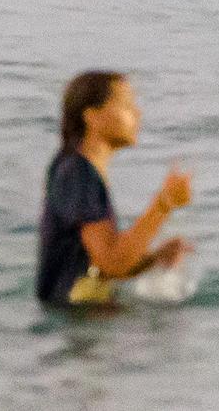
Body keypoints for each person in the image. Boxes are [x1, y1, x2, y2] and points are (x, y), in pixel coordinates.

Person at [37, 72, 193, 306]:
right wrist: (164, 204)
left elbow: (99, 267)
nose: (137, 113)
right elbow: (112, 263)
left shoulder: (77, 169)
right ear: (92, 116)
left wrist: (153, 259)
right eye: (126, 105)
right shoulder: (77, 174)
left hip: (83, 316)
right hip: (79, 322)